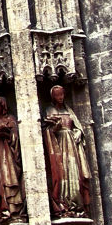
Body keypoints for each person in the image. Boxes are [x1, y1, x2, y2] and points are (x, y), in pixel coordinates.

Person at [42, 83, 91, 216]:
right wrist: (55, 127)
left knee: (74, 170)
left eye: (62, 94)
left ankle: (76, 203)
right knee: (62, 172)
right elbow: (48, 130)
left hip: (71, 144)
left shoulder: (69, 111)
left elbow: (77, 126)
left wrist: (79, 132)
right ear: (53, 96)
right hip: (59, 145)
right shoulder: (49, 111)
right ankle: (64, 201)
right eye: (57, 95)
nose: (60, 97)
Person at [0, 96, 26, 223]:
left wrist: (6, 134)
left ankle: (13, 209)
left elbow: (15, 137)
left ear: (3, 107)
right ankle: (1, 210)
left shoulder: (10, 119)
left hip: (7, 152)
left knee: (8, 177)